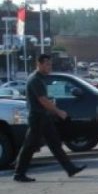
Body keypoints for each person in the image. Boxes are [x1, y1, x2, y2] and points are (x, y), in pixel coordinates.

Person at [13, 54, 86, 183]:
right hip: (37, 117)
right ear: (39, 64)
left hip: (44, 117)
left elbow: (44, 100)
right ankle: (19, 173)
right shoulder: (35, 79)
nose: (49, 67)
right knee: (29, 146)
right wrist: (58, 112)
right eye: (47, 64)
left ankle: (70, 169)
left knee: (55, 144)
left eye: (50, 64)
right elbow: (42, 100)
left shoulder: (41, 79)